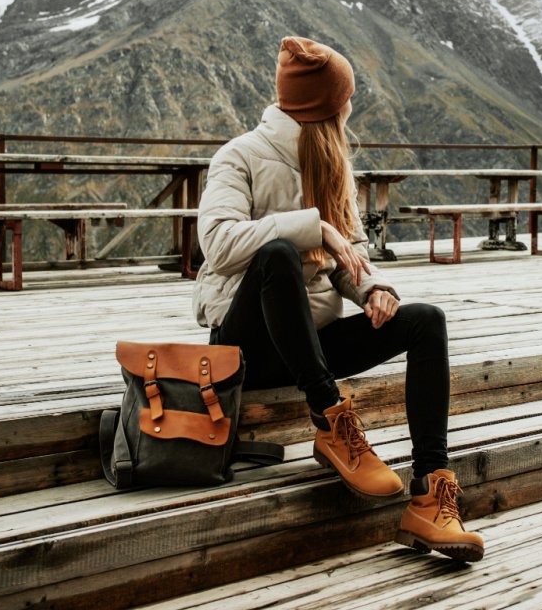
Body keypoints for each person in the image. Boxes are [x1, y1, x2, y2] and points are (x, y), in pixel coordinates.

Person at [193, 36, 484, 562]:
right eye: (345, 98)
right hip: (246, 352)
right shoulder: (239, 156)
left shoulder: (330, 164)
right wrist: (312, 227)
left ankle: (429, 491)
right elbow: (215, 244)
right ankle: (333, 421)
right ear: (327, 106)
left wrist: (372, 288)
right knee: (278, 254)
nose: (351, 107)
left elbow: (349, 254)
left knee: (427, 321)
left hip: (312, 343)